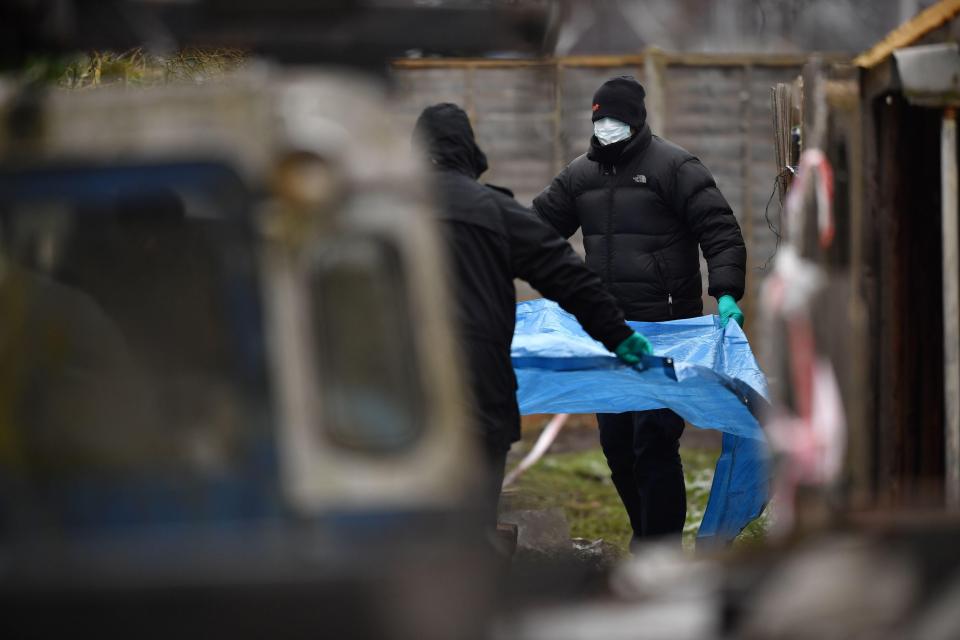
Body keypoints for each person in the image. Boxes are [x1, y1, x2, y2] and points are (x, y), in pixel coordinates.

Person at [533, 76, 746, 545]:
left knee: (653, 442)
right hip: (608, 334)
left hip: (667, 331)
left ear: (635, 120)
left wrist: (726, 290)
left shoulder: (674, 166)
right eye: (599, 119)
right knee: (618, 447)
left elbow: (719, 229)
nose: (606, 127)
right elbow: (535, 232)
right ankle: (645, 537)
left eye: (615, 119)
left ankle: (659, 549)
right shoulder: (579, 176)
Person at [413, 103, 652, 521]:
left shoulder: (380, 209)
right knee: (473, 523)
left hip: (399, 389)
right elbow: (567, 276)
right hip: (478, 387)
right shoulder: (493, 211)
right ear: (469, 150)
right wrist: (618, 334)